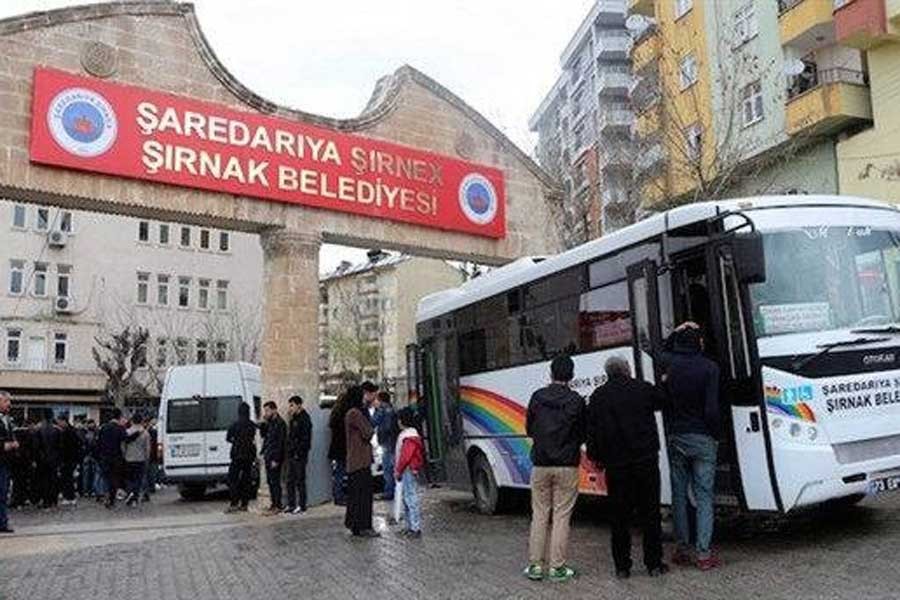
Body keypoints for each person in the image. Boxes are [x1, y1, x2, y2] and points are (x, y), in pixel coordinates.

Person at [587, 356, 669, 579]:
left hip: (616, 465)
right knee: (650, 513)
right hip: (645, 461)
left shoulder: (598, 397)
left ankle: (622, 566)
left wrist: (596, 458)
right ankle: (653, 563)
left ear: (608, 373)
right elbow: (663, 401)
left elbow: (592, 432)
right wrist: (663, 380)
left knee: (619, 517)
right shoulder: (642, 389)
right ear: (628, 371)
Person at [664, 324, 721, 571]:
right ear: (699, 343)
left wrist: (676, 331)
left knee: (679, 494)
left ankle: (681, 548)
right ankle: (704, 554)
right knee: (704, 495)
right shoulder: (710, 368)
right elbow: (711, 409)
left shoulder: (670, 366)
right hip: (703, 437)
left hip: (677, 435)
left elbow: (661, 350)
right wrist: (715, 434)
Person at [524, 355, 585, 583]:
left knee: (539, 515)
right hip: (567, 465)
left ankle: (535, 567)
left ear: (551, 373)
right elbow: (582, 432)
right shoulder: (576, 401)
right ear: (571, 375)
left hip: (540, 464)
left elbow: (529, 428)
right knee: (561, 516)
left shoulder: (537, 398)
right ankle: (557, 568)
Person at [344, 385, 379, 538]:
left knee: (355, 496)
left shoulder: (350, 413)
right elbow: (368, 432)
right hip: (360, 461)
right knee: (363, 496)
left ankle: (356, 525)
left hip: (355, 461)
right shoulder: (355, 413)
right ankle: (364, 526)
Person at [394, 407, 424, 538]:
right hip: (409, 469)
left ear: (402, 421)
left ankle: (414, 528)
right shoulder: (411, 434)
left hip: (408, 470)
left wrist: (398, 470)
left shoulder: (408, 437)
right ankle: (409, 526)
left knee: (410, 498)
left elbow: (405, 457)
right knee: (407, 498)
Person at [225, 402, 257, 513]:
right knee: (246, 480)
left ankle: (234, 503)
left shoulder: (234, 425)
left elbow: (228, 438)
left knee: (232, 479)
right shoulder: (252, 425)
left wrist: (236, 441)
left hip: (237, 455)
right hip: (249, 455)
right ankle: (244, 504)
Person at [284, 395, 312, 515]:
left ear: (299, 405)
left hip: (299, 455)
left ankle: (302, 505)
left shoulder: (305, 419)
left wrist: (298, 452)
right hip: (291, 454)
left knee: (300, 480)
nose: (290, 408)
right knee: (289, 480)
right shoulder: (293, 419)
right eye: (289, 405)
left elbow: (305, 439)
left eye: (292, 405)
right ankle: (291, 504)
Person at [97, 409, 129, 508]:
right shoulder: (120, 428)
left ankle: (104, 496)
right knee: (114, 479)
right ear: (119, 417)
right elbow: (126, 439)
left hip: (104, 457)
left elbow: (99, 443)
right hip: (116, 457)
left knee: (105, 478)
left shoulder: (103, 427)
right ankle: (111, 500)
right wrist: (137, 433)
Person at [259, 401, 286, 515]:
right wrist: (263, 423)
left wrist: (276, 459)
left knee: (275, 482)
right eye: (265, 411)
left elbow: (280, 442)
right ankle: (273, 503)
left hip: (275, 457)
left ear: (274, 410)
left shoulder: (280, 423)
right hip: (268, 455)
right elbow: (264, 436)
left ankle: (278, 505)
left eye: (268, 410)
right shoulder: (269, 423)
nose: (266, 413)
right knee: (270, 482)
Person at [372, 391, 399, 502]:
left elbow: (373, 422)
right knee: (392, 468)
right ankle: (393, 491)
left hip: (387, 442)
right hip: (392, 442)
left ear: (381, 400)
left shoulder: (383, 410)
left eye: (376, 399)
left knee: (388, 469)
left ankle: (389, 492)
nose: (375, 402)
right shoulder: (391, 408)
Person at [0, 390, 20, 533]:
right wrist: (5, 445)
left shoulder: (7, 419)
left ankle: (2, 522)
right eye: (6, 401)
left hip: (6, 463)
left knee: (3, 493)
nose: (9, 404)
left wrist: (14, 443)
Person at [123, 413, 151, 507]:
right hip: (140, 459)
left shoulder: (127, 432)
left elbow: (123, 446)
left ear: (132, 421)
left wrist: (124, 455)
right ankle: (135, 498)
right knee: (138, 480)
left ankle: (130, 493)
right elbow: (147, 449)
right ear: (141, 421)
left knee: (129, 479)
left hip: (128, 459)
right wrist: (147, 458)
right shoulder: (145, 433)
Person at [328, 392, 350, 506]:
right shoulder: (344, 414)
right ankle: (339, 496)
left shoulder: (335, 413)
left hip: (336, 447)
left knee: (338, 473)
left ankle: (338, 494)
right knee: (342, 472)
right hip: (343, 447)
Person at [36, 410, 61, 509]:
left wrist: (37, 458)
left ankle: (45, 500)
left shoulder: (39, 430)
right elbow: (60, 447)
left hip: (42, 460)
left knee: (43, 480)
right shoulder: (57, 430)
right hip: (54, 459)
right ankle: (53, 500)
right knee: (53, 480)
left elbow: (36, 447)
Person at [56, 414, 82, 507]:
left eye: (59, 421)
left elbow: (65, 447)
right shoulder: (71, 430)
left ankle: (69, 497)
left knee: (67, 478)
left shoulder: (67, 432)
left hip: (68, 459)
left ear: (64, 421)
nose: (58, 424)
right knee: (67, 478)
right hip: (70, 459)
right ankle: (69, 496)